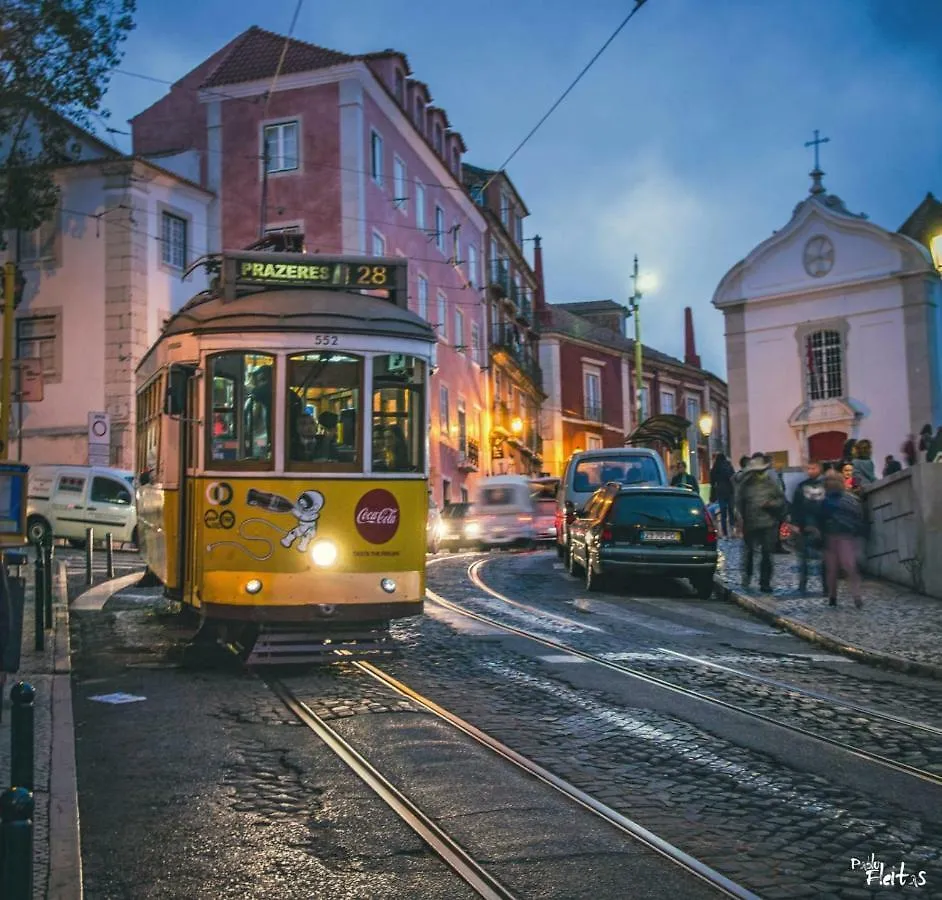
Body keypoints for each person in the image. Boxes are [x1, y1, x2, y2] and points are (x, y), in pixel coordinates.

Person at [736, 452, 786, 593]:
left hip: (768, 523)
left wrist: (771, 504)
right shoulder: (746, 483)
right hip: (750, 523)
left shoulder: (772, 481)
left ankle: (765, 582)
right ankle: (748, 575)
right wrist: (741, 518)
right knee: (750, 552)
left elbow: (781, 500)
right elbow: (739, 501)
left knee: (766, 553)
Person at [819, 470, 865, 608]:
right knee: (845, 567)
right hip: (841, 535)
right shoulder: (849, 500)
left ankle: (836, 597)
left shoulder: (825, 500)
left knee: (837, 568)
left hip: (837, 536)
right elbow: (858, 516)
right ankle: (852, 596)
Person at [790, 459, 827, 596]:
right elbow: (796, 506)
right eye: (809, 468)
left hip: (822, 526)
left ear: (819, 469)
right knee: (803, 558)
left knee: (825, 560)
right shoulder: (801, 486)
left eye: (813, 468)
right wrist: (795, 523)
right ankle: (803, 585)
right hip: (805, 526)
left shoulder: (826, 486)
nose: (810, 471)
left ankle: (826, 587)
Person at [709, 452, 736, 537]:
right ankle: (732, 530)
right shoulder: (729, 466)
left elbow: (712, 482)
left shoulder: (715, 467)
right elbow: (733, 478)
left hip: (720, 491)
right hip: (730, 491)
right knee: (731, 511)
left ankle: (725, 533)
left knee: (723, 512)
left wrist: (712, 495)